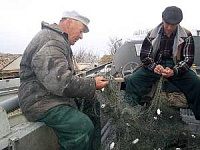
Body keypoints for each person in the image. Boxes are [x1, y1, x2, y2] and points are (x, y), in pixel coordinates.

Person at [18, 11, 108, 150]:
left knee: (93, 104)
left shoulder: (58, 40)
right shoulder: (51, 40)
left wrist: (90, 85)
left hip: (52, 97)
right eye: (81, 31)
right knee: (81, 127)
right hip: (40, 101)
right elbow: (60, 81)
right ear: (69, 22)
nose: (81, 36)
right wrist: (92, 84)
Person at [125, 6, 200, 120]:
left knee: (196, 83)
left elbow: (188, 60)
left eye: (173, 25)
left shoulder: (186, 35)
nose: (169, 28)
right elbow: (145, 57)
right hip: (156, 65)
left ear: (178, 24)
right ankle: (130, 117)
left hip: (176, 66)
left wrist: (174, 71)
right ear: (162, 20)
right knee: (132, 80)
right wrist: (154, 67)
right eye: (167, 24)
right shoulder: (152, 34)